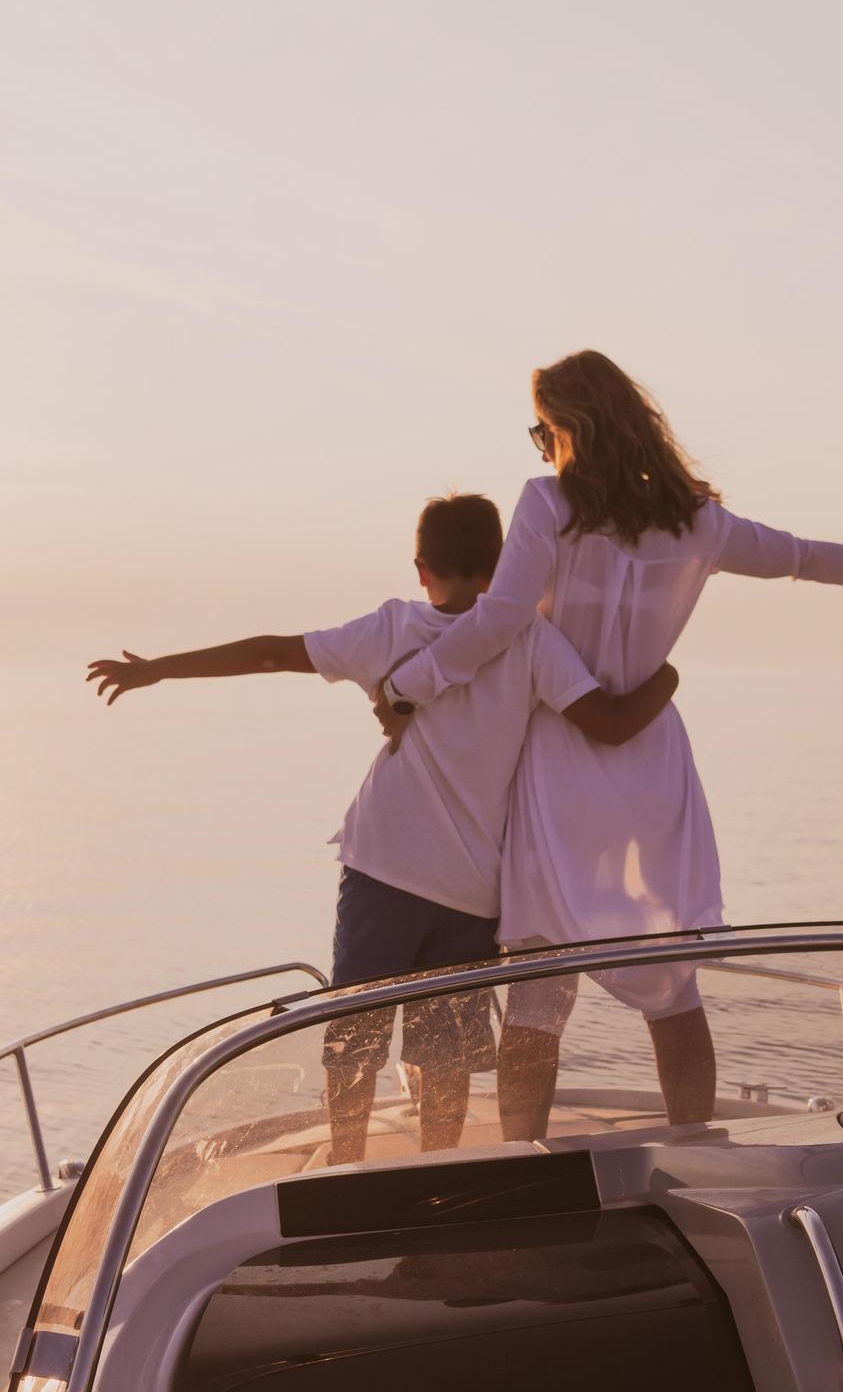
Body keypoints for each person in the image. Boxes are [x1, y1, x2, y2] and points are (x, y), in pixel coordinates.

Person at [375, 350, 843, 1136]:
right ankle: (696, 1146)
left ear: (570, 429)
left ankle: (521, 1161)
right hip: (651, 765)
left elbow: (498, 621)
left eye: (544, 430)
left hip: (560, 755)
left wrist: (406, 686)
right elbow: (803, 557)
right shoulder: (698, 521)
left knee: (539, 984)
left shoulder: (546, 503)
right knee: (673, 988)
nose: (540, 445)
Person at [86, 492, 680, 1162]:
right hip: (469, 891)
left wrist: (157, 670)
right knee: (446, 1055)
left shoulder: (393, 629)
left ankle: (345, 1161)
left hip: (382, 870)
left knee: (354, 1040)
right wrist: (666, 677)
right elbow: (610, 722)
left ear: (421, 568)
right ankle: (434, 1170)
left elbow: (272, 654)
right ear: (503, 565)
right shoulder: (530, 640)